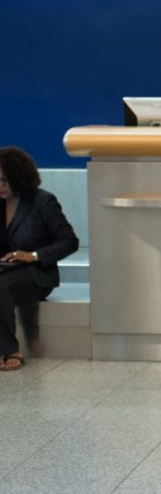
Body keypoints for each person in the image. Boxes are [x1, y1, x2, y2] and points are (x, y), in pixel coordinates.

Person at [0, 146, 79, 371]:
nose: (0, 186)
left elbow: (69, 241)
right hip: (5, 268)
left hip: (37, 273)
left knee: (1, 286)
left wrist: (33, 255)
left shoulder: (42, 201)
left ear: (18, 176)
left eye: (4, 181)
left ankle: (9, 350)